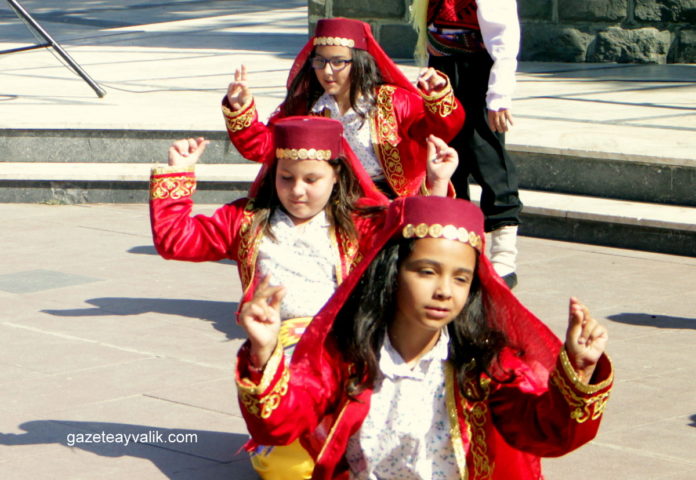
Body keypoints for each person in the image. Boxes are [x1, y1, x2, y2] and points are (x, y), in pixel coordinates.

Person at [149, 116, 459, 479]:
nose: (297, 190)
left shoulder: (360, 222)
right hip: (283, 345)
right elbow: (176, 240)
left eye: (311, 180)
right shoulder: (247, 220)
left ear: (336, 176)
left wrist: (437, 182)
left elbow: (416, 237)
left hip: (349, 339)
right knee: (290, 458)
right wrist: (179, 173)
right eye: (286, 178)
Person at [236, 195, 614, 480]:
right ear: (392, 272)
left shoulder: (486, 366)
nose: (444, 291)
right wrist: (264, 353)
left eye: (460, 278)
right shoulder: (345, 355)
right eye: (426, 271)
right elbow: (279, 424)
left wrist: (579, 372)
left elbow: (546, 432)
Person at [222, 17, 465, 198]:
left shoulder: (394, 101)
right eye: (320, 61)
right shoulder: (307, 107)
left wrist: (437, 97)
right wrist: (241, 109)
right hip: (328, 202)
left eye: (338, 62)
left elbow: (439, 130)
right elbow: (264, 147)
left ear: (359, 62)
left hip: (389, 200)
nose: (327, 71)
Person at [410, 0, 524, 288]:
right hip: (442, 68)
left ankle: (503, 253)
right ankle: (458, 243)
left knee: (487, 157)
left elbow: (505, 34)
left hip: (476, 71)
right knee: (446, 155)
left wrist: (499, 95)